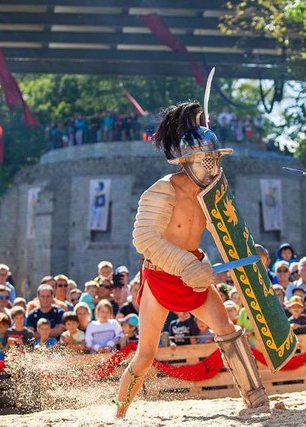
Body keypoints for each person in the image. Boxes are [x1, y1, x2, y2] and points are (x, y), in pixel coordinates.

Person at [115, 102, 269, 417]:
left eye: (215, 159)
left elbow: (225, 230)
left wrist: (250, 249)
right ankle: (119, 412)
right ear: (189, 161)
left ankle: (256, 400)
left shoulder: (213, 192)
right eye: (206, 159)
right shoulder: (160, 192)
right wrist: (185, 265)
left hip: (196, 274)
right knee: (145, 355)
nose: (212, 166)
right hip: (161, 277)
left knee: (228, 330)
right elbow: (145, 240)